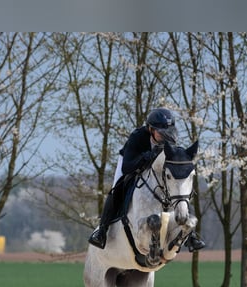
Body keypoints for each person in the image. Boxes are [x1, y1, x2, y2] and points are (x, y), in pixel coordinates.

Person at [88, 108, 206, 251]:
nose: (165, 137)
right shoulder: (137, 137)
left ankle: (191, 235)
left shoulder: (170, 138)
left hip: (156, 170)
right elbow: (127, 167)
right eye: (161, 133)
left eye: (168, 133)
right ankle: (101, 231)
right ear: (150, 129)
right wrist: (145, 157)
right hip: (131, 162)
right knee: (117, 187)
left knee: (178, 189)